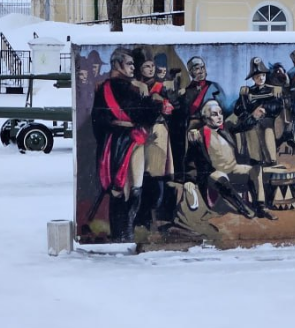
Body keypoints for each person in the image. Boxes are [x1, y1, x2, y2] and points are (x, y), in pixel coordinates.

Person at [87, 47, 164, 242]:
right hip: (125, 141)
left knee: (126, 189)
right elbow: (140, 113)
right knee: (127, 189)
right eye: (129, 64)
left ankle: (123, 232)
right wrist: (156, 104)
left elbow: (98, 120)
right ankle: (124, 233)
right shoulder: (124, 87)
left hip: (114, 141)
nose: (133, 68)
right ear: (117, 64)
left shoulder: (105, 87)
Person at [183, 100, 276, 220]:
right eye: (214, 114)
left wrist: (254, 116)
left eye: (220, 113)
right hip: (214, 172)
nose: (219, 117)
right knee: (219, 177)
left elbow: (243, 125)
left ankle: (260, 207)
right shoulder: (198, 135)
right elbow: (190, 160)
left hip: (233, 168)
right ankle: (243, 207)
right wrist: (189, 179)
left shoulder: (226, 128)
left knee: (256, 170)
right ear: (205, 118)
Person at [133, 48, 176, 228]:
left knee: (156, 174)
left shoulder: (161, 86)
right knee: (142, 176)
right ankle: (143, 216)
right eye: (146, 66)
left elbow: (170, 109)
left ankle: (150, 215)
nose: (151, 69)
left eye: (152, 66)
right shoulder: (135, 86)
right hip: (140, 132)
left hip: (157, 131)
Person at [234, 57, 284, 166]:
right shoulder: (247, 92)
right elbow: (238, 110)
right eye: (257, 76)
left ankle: (272, 161)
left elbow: (277, 106)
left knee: (267, 131)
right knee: (251, 131)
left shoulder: (273, 90)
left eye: (263, 75)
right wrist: (242, 96)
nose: (261, 78)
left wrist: (264, 109)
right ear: (253, 78)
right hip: (252, 121)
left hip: (268, 122)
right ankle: (255, 162)